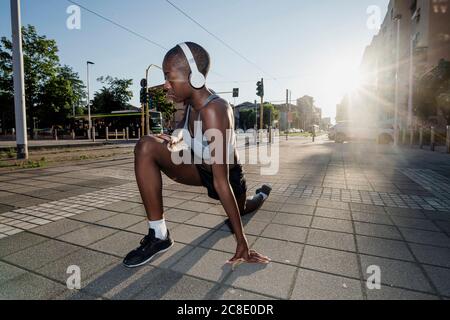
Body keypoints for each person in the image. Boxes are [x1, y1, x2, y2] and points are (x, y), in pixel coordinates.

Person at [123, 42, 271, 268]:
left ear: (195, 78)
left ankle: (261, 195)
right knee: (146, 145)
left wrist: (242, 243)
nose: (165, 85)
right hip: (197, 167)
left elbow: (221, 181)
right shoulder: (189, 102)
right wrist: (174, 139)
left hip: (227, 178)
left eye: (169, 77)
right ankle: (159, 235)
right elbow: (184, 132)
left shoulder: (215, 110)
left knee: (242, 208)